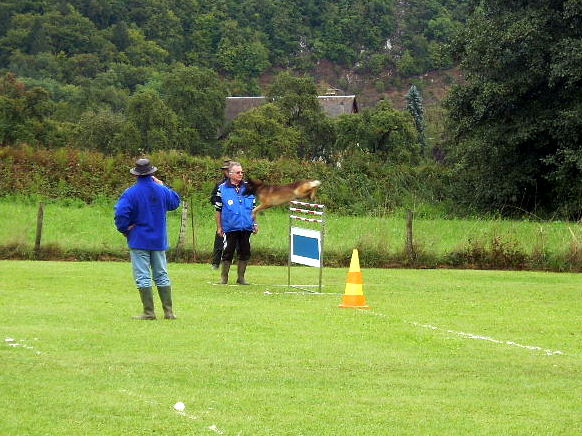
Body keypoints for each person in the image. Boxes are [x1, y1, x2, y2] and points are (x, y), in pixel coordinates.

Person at [114, 158, 181, 320]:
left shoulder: (130, 192)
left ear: (136, 174)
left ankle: (149, 312)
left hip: (138, 239)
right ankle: (169, 311)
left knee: (143, 275)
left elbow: (121, 214)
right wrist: (162, 185)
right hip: (158, 239)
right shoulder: (161, 190)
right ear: (152, 173)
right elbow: (175, 202)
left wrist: (125, 228)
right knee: (161, 274)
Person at [214, 161, 258, 285]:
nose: (241, 174)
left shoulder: (248, 188)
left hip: (246, 226)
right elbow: (218, 210)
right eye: (238, 172)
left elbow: (253, 207)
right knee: (228, 251)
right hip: (230, 227)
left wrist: (254, 223)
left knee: (245, 251)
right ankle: (224, 278)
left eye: (242, 172)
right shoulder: (222, 188)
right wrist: (219, 227)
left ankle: (241, 277)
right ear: (230, 174)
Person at [209, 160, 231, 269]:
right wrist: (220, 201)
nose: (226, 171)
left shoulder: (241, 184)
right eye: (225, 170)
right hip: (223, 216)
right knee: (219, 239)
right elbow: (212, 198)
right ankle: (215, 263)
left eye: (228, 169)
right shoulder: (219, 184)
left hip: (237, 217)